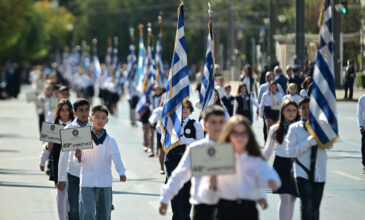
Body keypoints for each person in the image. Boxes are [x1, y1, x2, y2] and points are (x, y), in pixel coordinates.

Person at [204, 115, 281, 220]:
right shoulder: (221, 155)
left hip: (248, 207)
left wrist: (263, 192)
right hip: (225, 207)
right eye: (235, 133)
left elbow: (269, 177)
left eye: (243, 133)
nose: (239, 137)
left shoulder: (254, 158)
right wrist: (212, 183)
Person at [159, 105, 226, 220]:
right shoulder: (197, 147)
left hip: (224, 206)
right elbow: (179, 175)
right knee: (181, 196)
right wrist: (165, 198)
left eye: (220, 122)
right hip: (203, 206)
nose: (217, 126)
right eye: (213, 122)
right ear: (206, 125)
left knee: (186, 195)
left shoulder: (227, 148)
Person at [74, 105, 126, 220]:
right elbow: (77, 161)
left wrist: (121, 172)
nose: (100, 120)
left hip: (105, 182)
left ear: (107, 121)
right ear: (91, 119)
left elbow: (116, 157)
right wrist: (77, 156)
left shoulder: (110, 141)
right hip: (87, 181)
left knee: (104, 213)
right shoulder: (83, 138)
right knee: (87, 211)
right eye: (97, 117)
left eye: (103, 118)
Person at [285, 97, 332, 220]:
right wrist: (309, 142)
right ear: (299, 111)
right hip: (302, 171)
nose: (306, 111)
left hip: (319, 172)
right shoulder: (294, 128)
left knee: (315, 208)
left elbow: (330, 145)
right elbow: (290, 152)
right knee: (307, 205)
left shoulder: (321, 126)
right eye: (303, 108)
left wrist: (323, 134)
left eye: (309, 108)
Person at [163, 99, 204, 220]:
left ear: (191, 110)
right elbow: (163, 142)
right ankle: (178, 217)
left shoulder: (196, 125)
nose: (185, 110)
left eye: (187, 107)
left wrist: (188, 140)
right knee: (176, 194)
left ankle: (185, 217)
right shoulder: (170, 124)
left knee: (187, 194)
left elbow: (201, 144)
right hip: (173, 162)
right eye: (182, 108)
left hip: (189, 162)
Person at [263, 100, 300, 220]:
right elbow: (268, 150)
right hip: (280, 165)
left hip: (296, 166)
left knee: (292, 199)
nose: (291, 113)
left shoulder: (301, 128)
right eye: (288, 110)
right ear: (282, 112)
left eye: (294, 110)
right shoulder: (275, 129)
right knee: (285, 198)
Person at [39, 99, 74, 220]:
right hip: (57, 164)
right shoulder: (53, 127)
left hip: (73, 165)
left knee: (72, 194)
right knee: (61, 193)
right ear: (58, 112)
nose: (65, 113)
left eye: (67, 110)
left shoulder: (75, 126)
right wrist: (43, 160)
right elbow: (45, 147)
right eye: (62, 110)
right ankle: (62, 217)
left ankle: (70, 214)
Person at [58, 98, 92, 220]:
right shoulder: (69, 129)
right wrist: (61, 178)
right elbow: (64, 156)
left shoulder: (93, 128)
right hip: (73, 174)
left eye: (87, 110)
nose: (84, 113)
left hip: (90, 174)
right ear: (75, 112)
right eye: (81, 110)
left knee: (89, 208)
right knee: (74, 208)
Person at [257, 72, 284, 142]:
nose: (271, 78)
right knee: (268, 126)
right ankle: (267, 140)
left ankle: (275, 140)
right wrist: (260, 113)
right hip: (267, 110)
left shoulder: (279, 89)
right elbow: (260, 101)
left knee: (275, 127)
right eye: (269, 77)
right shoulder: (263, 89)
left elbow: (283, 100)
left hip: (276, 110)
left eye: (272, 77)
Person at [149, 94, 166, 174]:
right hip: (161, 132)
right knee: (161, 151)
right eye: (164, 98)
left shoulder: (175, 109)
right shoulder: (159, 109)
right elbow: (153, 118)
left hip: (171, 133)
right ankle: (162, 167)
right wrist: (152, 122)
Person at [357, 94, 365, 174]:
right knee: (364, 146)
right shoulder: (362, 99)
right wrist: (361, 125)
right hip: (364, 127)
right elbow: (359, 113)